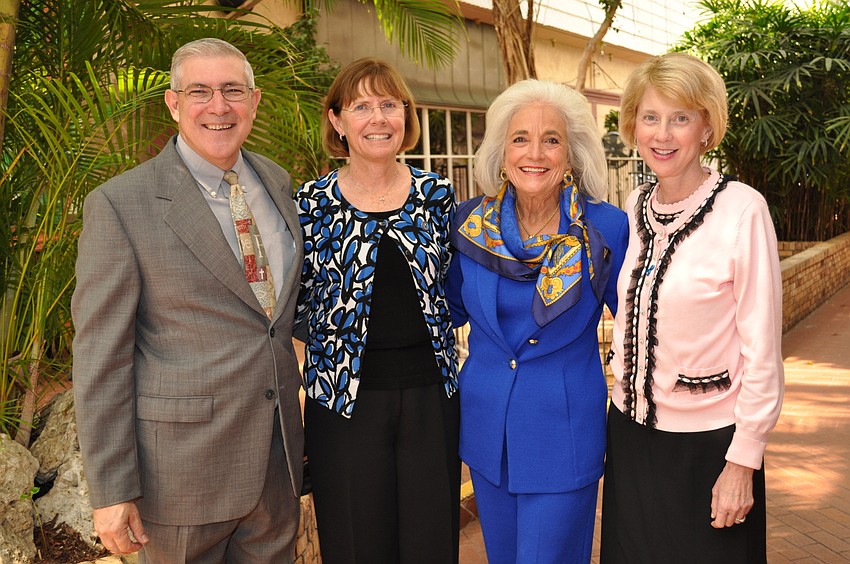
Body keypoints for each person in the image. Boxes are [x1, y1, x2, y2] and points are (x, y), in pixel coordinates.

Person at [71, 38, 305, 562]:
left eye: (232, 91)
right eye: (199, 91)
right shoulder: (119, 205)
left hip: (276, 464)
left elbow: (279, 315)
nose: (218, 106)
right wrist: (111, 489)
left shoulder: (278, 181)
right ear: (173, 104)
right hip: (180, 477)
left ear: (255, 101)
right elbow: (100, 357)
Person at [600, 52, 785, 563]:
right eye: (651, 116)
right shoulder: (632, 209)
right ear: (633, 125)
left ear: (706, 128)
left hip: (711, 447)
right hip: (632, 437)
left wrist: (743, 462)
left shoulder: (742, 210)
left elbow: (763, 349)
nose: (663, 133)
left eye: (681, 117)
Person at [447, 79, 629, 563]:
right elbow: (443, 311)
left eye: (552, 139)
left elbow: (637, 320)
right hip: (488, 436)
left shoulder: (604, 227)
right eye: (520, 138)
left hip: (564, 433)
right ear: (502, 151)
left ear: (570, 155)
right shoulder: (467, 223)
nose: (535, 152)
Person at [295, 58, 460, 563]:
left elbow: (457, 289)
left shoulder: (438, 196)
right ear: (337, 121)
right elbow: (294, 307)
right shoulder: (309, 204)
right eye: (362, 106)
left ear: (405, 117)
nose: (378, 118)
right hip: (342, 400)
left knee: (430, 541)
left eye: (389, 105)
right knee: (355, 542)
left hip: (431, 396)